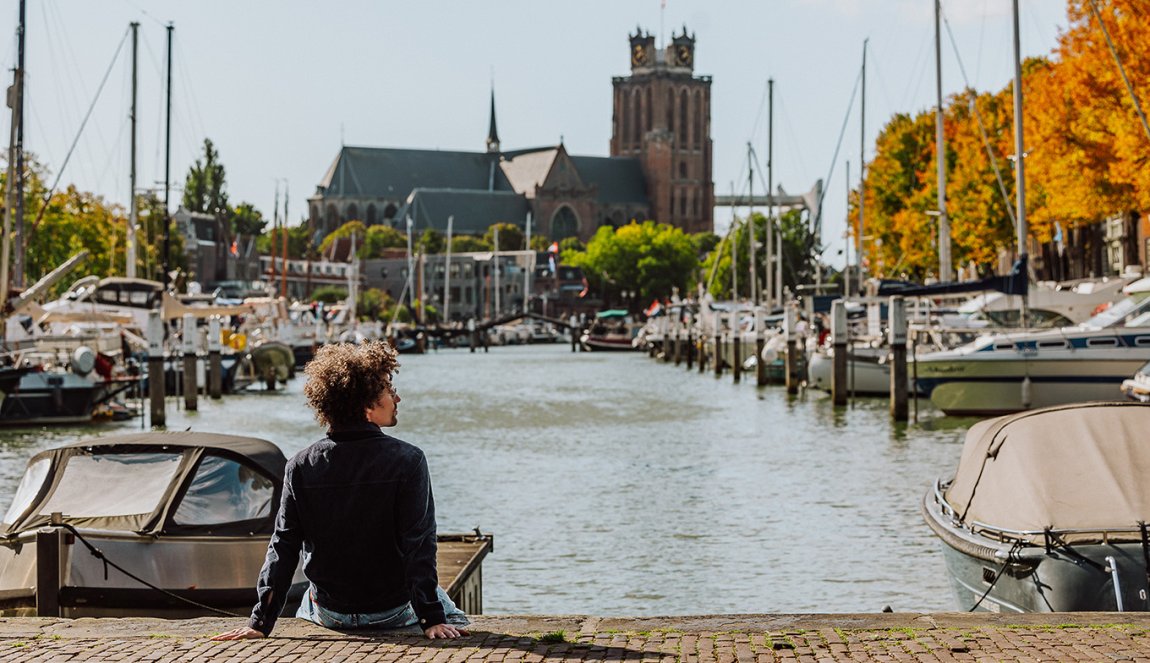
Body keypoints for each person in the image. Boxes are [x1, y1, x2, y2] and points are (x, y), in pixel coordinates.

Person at [213, 340, 468, 641]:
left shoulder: (299, 465)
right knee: (456, 616)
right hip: (391, 609)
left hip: (331, 612)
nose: (397, 397)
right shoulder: (409, 461)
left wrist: (259, 623)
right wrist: (432, 619)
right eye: (388, 389)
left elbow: (283, 547)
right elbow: (419, 546)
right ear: (366, 406)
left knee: (307, 603)